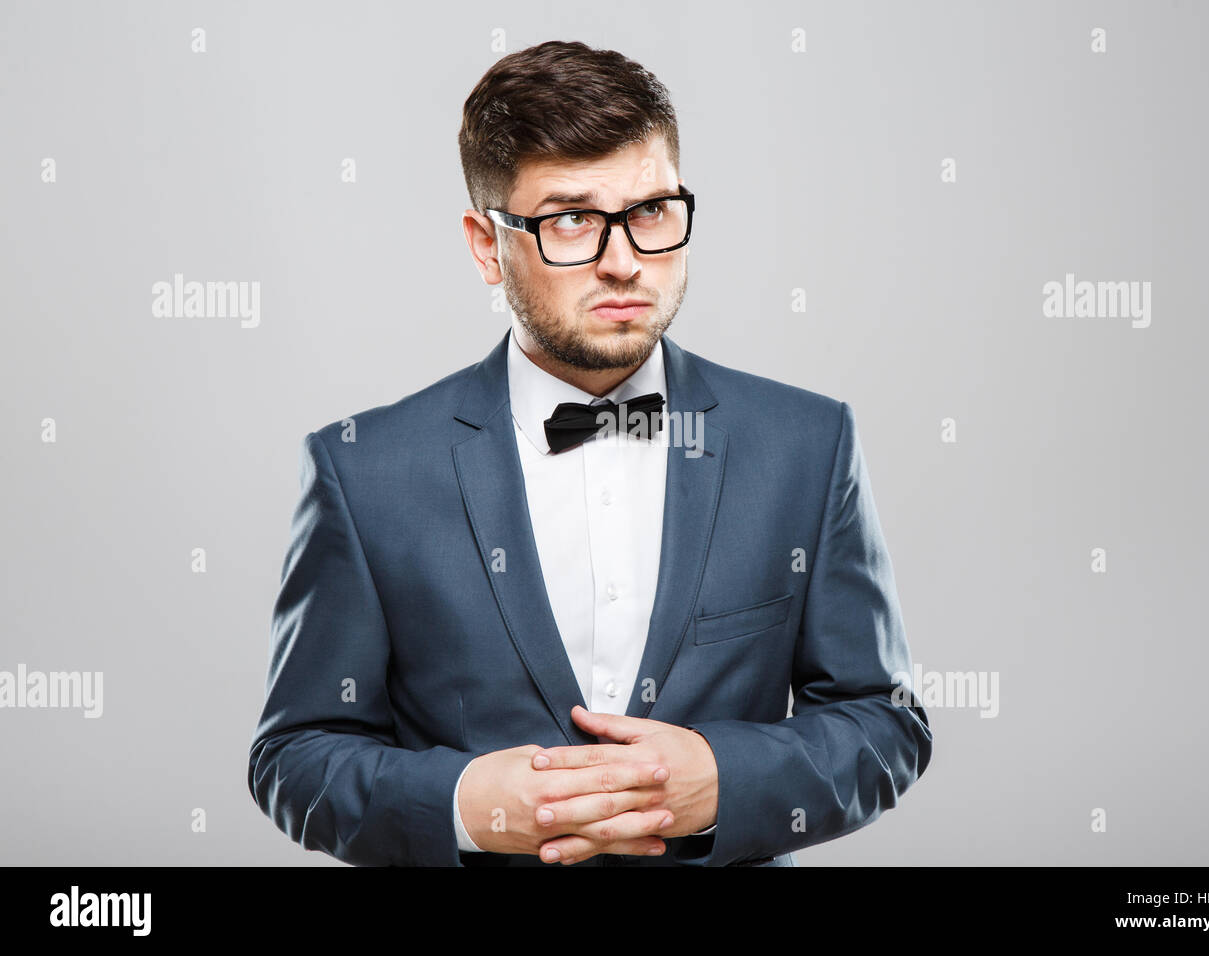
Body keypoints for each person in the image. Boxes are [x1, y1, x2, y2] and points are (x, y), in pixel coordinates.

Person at [247, 39, 932, 867]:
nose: (623, 262)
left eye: (650, 212)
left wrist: (722, 780)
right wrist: (467, 806)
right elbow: (295, 755)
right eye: (571, 219)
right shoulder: (363, 470)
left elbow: (884, 721)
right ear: (484, 243)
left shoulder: (807, 445)